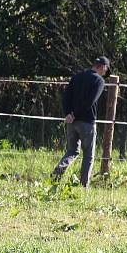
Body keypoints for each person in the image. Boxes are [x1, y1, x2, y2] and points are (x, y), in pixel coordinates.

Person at [52, 56, 110, 187]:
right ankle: (84, 185)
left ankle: (57, 174)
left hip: (72, 122)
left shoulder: (77, 77)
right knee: (88, 155)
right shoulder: (99, 81)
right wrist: (74, 114)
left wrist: (68, 114)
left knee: (72, 151)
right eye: (106, 70)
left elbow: (66, 96)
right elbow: (90, 101)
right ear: (103, 67)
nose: (105, 73)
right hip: (87, 122)